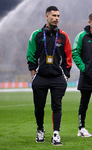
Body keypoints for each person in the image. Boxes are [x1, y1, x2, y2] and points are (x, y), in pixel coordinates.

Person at [26, 6, 72, 146]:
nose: (56, 18)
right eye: (53, 15)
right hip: (41, 77)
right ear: (47, 16)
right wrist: (33, 76)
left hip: (58, 78)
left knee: (57, 106)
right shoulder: (37, 35)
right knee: (39, 107)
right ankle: (40, 129)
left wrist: (66, 76)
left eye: (58, 16)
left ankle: (56, 133)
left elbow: (68, 57)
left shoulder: (63, 36)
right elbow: (30, 55)